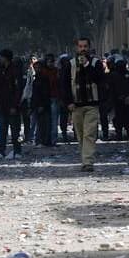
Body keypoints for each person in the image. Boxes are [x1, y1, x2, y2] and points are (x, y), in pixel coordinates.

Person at [60, 37, 103, 172]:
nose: (83, 49)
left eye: (85, 46)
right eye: (80, 46)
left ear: (89, 48)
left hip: (92, 104)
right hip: (76, 105)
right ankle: (85, 158)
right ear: (76, 48)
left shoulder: (96, 63)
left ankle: (88, 162)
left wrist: (86, 65)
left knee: (89, 133)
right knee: (80, 134)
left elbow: (99, 79)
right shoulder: (70, 64)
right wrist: (68, 102)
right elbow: (65, 85)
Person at [0, 49, 23, 159]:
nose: (0, 59)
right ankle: (1, 151)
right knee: (2, 130)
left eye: (2, 57)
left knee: (15, 131)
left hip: (13, 105)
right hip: (2, 105)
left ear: (6, 57)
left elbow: (18, 89)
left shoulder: (15, 70)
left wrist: (14, 105)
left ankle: (17, 151)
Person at [108, 55, 129, 141]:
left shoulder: (128, 74)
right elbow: (111, 89)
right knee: (119, 119)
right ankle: (120, 133)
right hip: (118, 100)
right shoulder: (113, 75)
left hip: (127, 100)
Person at [40, 53, 61, 146]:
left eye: (52, 61)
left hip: (54, 97)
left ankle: (53, 140)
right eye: (49, 61)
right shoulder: (43, 72)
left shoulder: (56, 71)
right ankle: (46, 140)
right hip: (46, 99)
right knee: (46, 121)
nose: (51, 63)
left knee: (54, 121)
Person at [31, 58, 52, 146]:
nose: (37, 69)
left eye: (38, 68)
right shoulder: (36, 79)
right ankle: (41, 140)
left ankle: (45, 141)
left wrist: (42, 105)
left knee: (44, 124)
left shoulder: (43, 79)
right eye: (35, 68)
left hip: (43, 105)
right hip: (37, 104)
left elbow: (45, 93)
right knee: (40, 124)